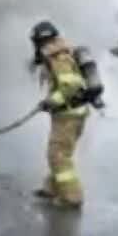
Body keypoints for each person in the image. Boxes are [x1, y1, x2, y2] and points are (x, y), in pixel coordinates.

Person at [28, 20, 93, 209]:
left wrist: (51, 101)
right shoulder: (60, 53)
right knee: (60, 152)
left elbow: (70, 85)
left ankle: (72, 197)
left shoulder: (57, 56)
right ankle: (52, 188)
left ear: (42, 40)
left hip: (69, 114)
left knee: (58, 155)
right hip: (71, 113)